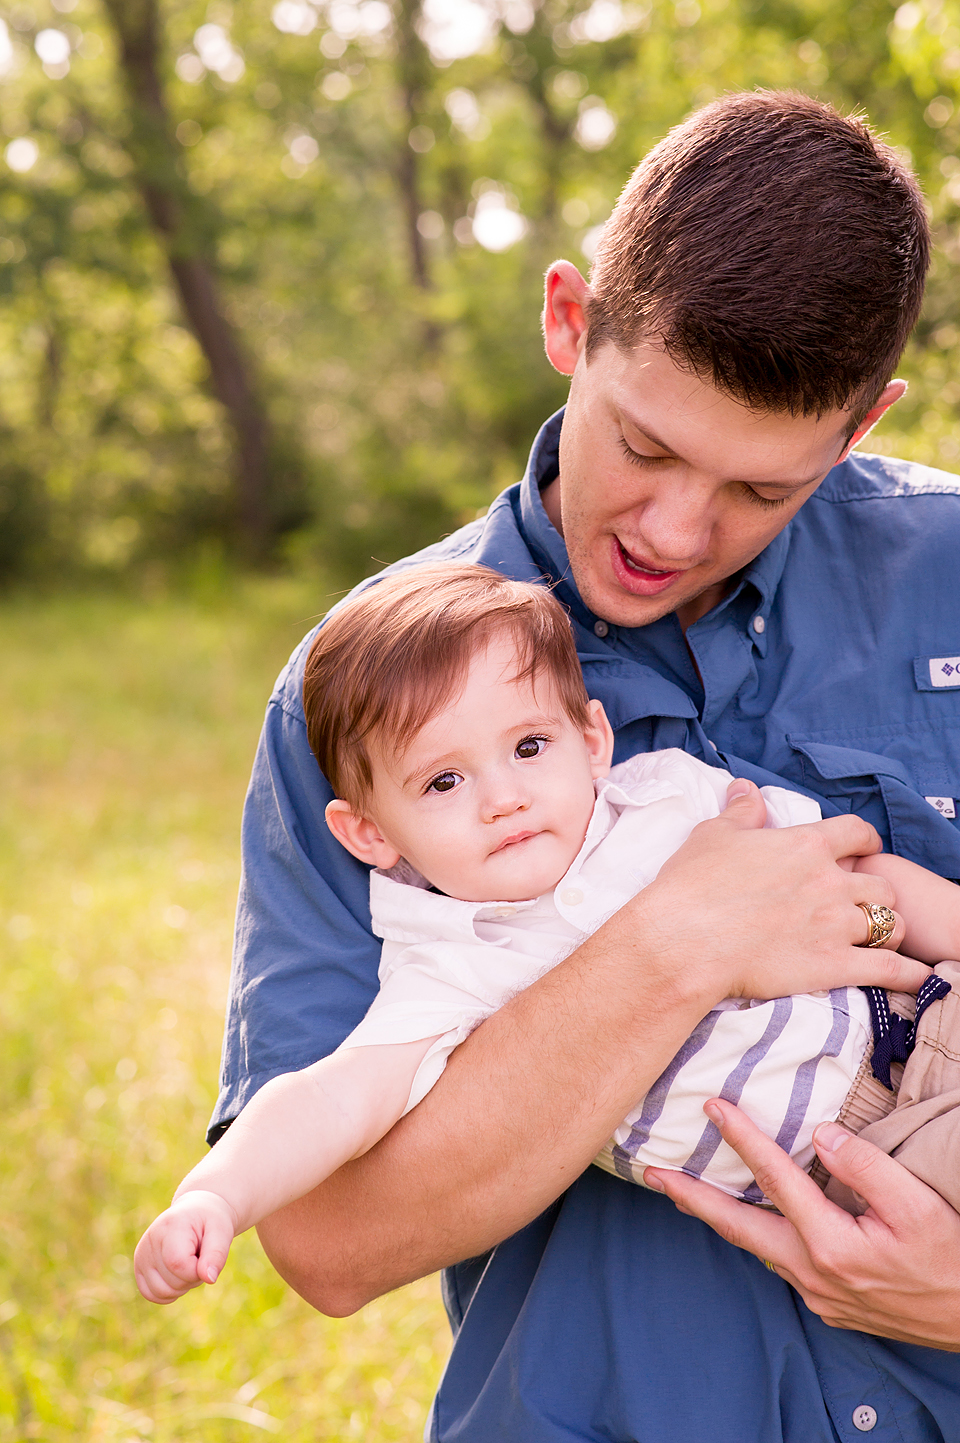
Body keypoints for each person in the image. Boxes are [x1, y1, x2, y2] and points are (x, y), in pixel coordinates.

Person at [212, 91, 960, 1441]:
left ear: (860, 425)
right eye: (646, 445)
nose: (673, 529)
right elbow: (329, 1243)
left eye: (760, 489)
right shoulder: (369, 692)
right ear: (570, 321)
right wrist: (675, 947)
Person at [134, 566, 960, 1307]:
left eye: (529, 746)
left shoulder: (668, 803)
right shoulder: (453, 959)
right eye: (444, 780)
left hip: (928, 1022)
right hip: (862, 1161)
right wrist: (217, 1195)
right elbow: (330, 1098)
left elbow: (863, 873)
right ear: (369, 833)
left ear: (592, 740)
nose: (504, 797)